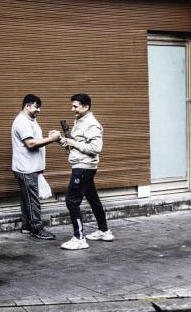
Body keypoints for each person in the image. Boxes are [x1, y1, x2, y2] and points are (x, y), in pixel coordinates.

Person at [57, 93, 114, 250]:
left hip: (83, 167)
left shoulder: (91, 123)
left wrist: (74, 143)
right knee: (93, 199)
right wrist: (62, 140)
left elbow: (96, 149)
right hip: (82, 166)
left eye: (75, 106)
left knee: (71, 200)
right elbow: (77, 144)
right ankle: (104, 231)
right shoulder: (80, 121)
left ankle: (79, 238)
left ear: (86, 107)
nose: (72, 109)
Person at [11, 94, 61, 240]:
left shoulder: (30, 120)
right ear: (27, 106)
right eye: (36, 107)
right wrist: (52, 139)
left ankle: (27, 226)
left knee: (27, 198)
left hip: (29, 167)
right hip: (26, 169)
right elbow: (31, 143)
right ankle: (37, 228)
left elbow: (36, 139)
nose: (38, 110)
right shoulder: (22, 122)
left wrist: (48, 136)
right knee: (33, 200)